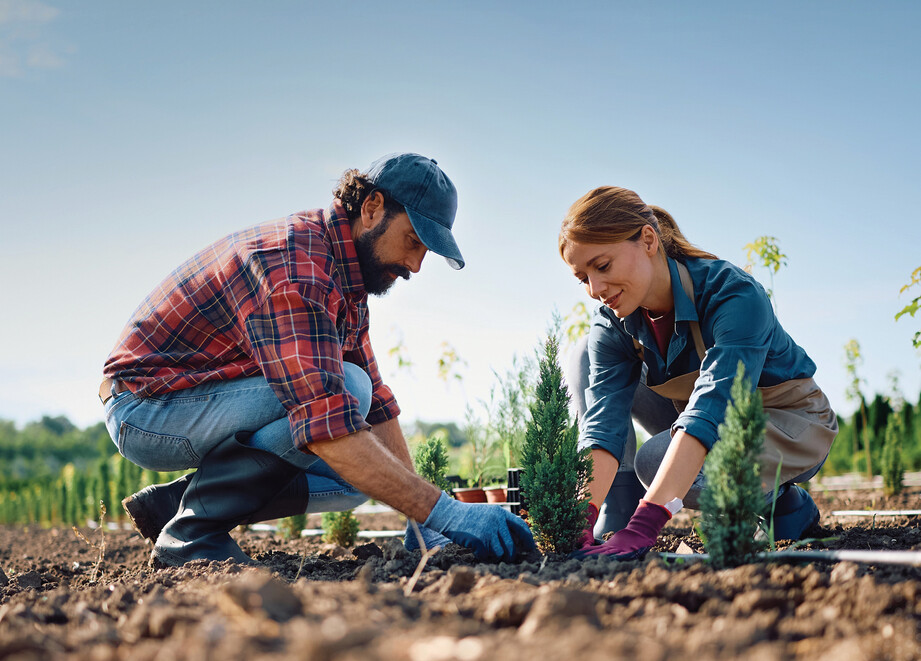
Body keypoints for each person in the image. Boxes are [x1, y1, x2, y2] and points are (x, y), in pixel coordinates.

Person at [100, 153, 535, 566]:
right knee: (348, 399)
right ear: (371, 208)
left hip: (197, 402)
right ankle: (192, 536)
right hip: (147, 408)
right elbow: (326, 421)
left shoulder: (346, 277)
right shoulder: (296, 268)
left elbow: (378, 402)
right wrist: (448, 514)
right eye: (413, 241)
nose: (416, 266)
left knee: (361, 472)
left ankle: (174, 507)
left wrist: (421, 520)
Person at [558, 186, 838, 559]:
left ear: (647, 240)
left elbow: (710, 409)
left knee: (654, 461)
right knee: (584, 355)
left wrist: (646, 526)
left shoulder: (731, 294)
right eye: (583, 278)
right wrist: (579, 514)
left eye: (603, 266)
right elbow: (603, 425)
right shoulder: (615, 322)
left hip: (791, 422)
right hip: (705, 418)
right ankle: (617, 507)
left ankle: (782, 501)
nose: (595, 289)